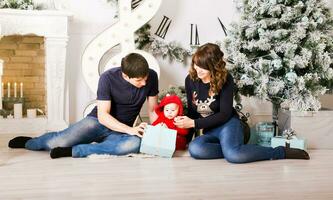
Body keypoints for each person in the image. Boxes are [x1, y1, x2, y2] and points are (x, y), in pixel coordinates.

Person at [174, 43, 310, 163]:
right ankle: (232, 148)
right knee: (196, 149)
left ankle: (280, 152)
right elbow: (192, 113)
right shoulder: (191, 79)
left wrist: (194, 123)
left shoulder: (226, 79)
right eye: (196, 64)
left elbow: (224, 114)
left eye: (203, 66)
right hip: (211, 131)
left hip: (229, 125)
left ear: (214, 66)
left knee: (234, 156)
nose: (198, 69)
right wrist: (186, 140)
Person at [8, 53, 159, 159]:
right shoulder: (108, 78)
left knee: (133, 144)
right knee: (57, 142)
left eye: (145, 79)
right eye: (139, 80)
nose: (144, 83)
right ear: (125, 75)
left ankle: (74, 151)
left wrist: (161, 129)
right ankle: (30, 142)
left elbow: (152, 110)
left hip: (120, 130)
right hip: (97, 122)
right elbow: (103, 115)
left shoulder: (151, 76)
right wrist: (130, 129)